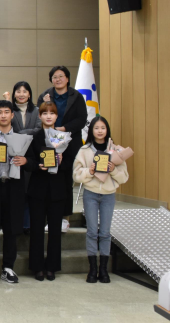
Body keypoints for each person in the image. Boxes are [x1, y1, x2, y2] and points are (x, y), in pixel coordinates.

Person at [0, 100, 36, 284]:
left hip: (14, 188)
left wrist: (25, 161)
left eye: (6, 112)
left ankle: (8, 267)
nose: (3, 115)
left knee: (11, 229)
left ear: (12, 115)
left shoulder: (22, 138)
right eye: (0, 112)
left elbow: (33, 162)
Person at [73, 116, 128, 284]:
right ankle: (92, 269)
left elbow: (124, 177)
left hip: (108, 195)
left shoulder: (116, 150)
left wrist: (113, 170)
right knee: (92, 232)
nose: (99, 131)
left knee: (104, 232)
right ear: (91, 130)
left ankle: (103, 269)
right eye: (96, 128)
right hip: (90, 194)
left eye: (103, 128)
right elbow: (76, 175)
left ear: (107, 130)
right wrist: (89, 171)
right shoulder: (84, 150)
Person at [37, 66, 88, 232]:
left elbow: (82, 119)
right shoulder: (45, 95)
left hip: (70, 143)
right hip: (48, 141)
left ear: (67, 79)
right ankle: (47, 217)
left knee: (66, 180)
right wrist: (44, 103)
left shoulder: (76, 96)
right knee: (47, 179)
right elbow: (40, 115)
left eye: (61, 76)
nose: (57, 79)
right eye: (54, 77)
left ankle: (65, 218)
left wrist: (63, 129)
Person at [28, 102, 66, 281]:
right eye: (45, 113)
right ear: (40, 116)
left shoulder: (63, 137)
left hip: (57, 189)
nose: (48, 116)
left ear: (56, 116)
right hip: (38, 188)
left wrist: (62, 160)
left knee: (55, 230)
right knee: (36, 229)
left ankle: (52, 266)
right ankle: (37, 267)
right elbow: (28, 161)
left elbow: (72, 162)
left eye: (52, 113)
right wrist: (38, 165)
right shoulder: (35, 137)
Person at [4, 81, 41, 234]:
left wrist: (22, 133)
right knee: (16, 192)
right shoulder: (10, 111)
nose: (21, 94)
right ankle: (16, 224)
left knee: (29, 191)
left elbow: (39, 128)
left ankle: (27, 224)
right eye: (18, 91)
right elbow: (9, 128)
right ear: (14, 94)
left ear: (29, 94)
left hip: (32, 153)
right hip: (13, 154)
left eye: (24, 91)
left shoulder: (37, 110)